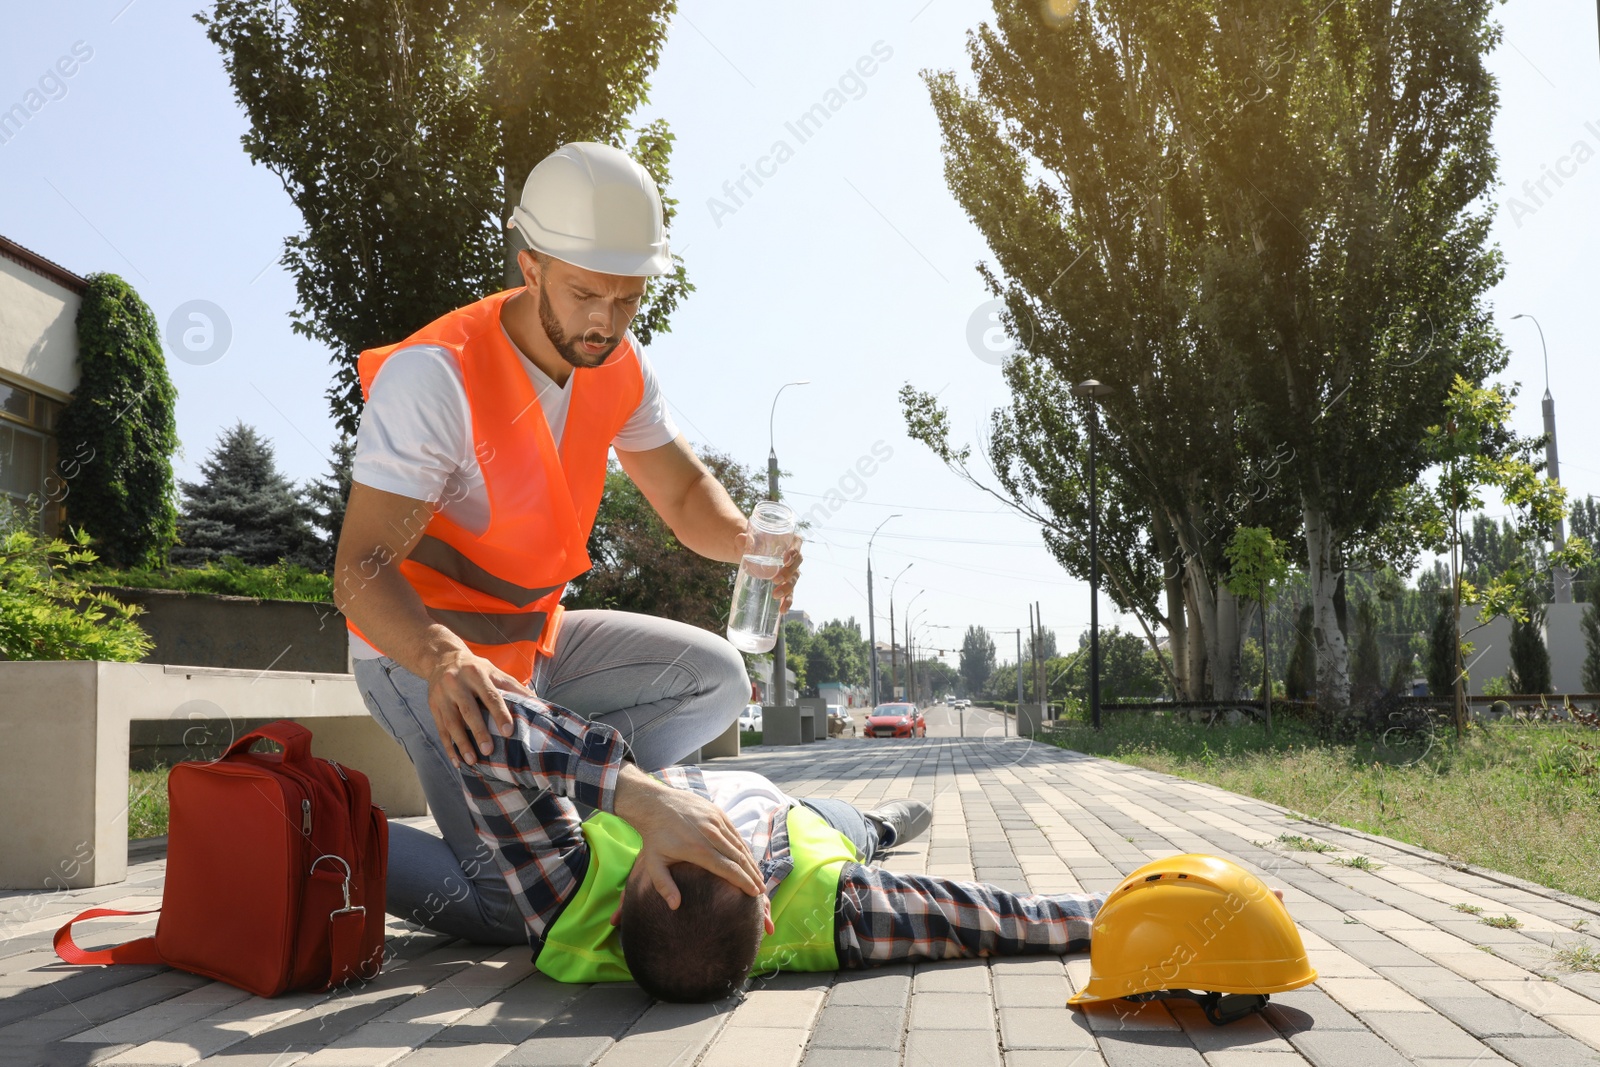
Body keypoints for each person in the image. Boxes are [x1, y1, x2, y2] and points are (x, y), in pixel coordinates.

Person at [334, 142, 799, 938]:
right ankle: (324, 840)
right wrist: (443, 658)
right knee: (520, 905)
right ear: (531, 265)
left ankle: (585, 801)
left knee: (719, 679)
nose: (604, 321)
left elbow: (685, 493)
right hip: (425, 653)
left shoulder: (619, 364)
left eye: (627, 299)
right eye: (585, 293)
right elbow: (359, 568)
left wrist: (747, 542)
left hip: (536, 646)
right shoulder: (436, 376)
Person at [457, 690, 1108, 1003]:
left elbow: (483, 729)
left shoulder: (569, 901)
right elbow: (981, 917)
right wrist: (1106, 914)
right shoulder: (838, 907)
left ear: (620, 912)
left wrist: (643, 801)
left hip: (683, 781)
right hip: (802, 821)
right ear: (767, 918)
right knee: (859, 830)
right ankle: (883, 825)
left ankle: (881, 823)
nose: (700, 832)